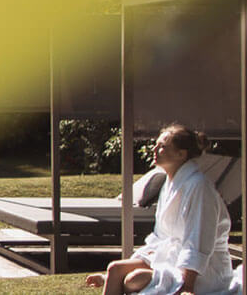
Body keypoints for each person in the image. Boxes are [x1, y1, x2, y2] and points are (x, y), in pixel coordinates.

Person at [85, 124, 236, 295]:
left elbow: (198, 241)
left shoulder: (199, 186)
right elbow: (160, 237)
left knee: (133, 279)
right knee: (115, 269)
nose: (155, 149)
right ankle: (111, 279)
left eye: (162, 146)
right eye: (156, 144)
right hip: (170, 259)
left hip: (204, 272)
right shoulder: (169, 184)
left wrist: (187, 287)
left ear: (181, 154)